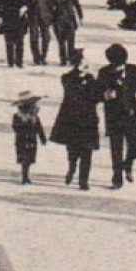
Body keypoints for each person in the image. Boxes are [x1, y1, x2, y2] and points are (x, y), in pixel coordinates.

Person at [51, 52, 101, 191]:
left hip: (88, 119)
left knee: (87, 151)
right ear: (77, 64)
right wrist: (83, 80)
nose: (86, 65)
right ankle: (72, 168)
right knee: (73, 150)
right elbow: (72, 93)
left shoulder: (91, 78)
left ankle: (83, 180)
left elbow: (96, 97)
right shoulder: (67, 78)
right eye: (83, 62)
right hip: (72, 119)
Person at [97, 45, 136, 190]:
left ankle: (128, 165)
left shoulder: (133, 69)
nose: (118, 67)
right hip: (114, 116)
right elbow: (98, 92)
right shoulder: (103, 72)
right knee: (116, 148)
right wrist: (106, 95)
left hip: (132, 114)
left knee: (135, 144)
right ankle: (117, 177)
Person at [11, 93, 48, 185]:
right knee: (24, 159)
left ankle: (26, 176)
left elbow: (39, 128)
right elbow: (16, 128)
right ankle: (24, 177)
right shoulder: (18, 116)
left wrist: (42, 138)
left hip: (31, 140)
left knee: (29, 159)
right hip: (22, 141)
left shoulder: (35, 118)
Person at [0, 0, 30, 68]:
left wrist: (25, 8)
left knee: (20, 43)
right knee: (9, 42)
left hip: (20, 22)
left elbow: (28, 4)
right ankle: (10, 62)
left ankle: (19, 62)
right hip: (7, 21)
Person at [51, 0, 84, 64]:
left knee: (71, 39)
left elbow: (77, 4)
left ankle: (71, 58)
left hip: (70, 18)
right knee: (61, 40)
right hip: (58, 19)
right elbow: (51, 6)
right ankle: (63, 60)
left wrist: (80, 17)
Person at [26, 0, 54, 66]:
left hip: (44, 18)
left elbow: (51, 5)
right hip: (33, 18)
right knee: (34, 37)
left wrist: (50, 17)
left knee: (46, 38)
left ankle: (43, 57)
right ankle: (36, 58)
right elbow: (26, 5)